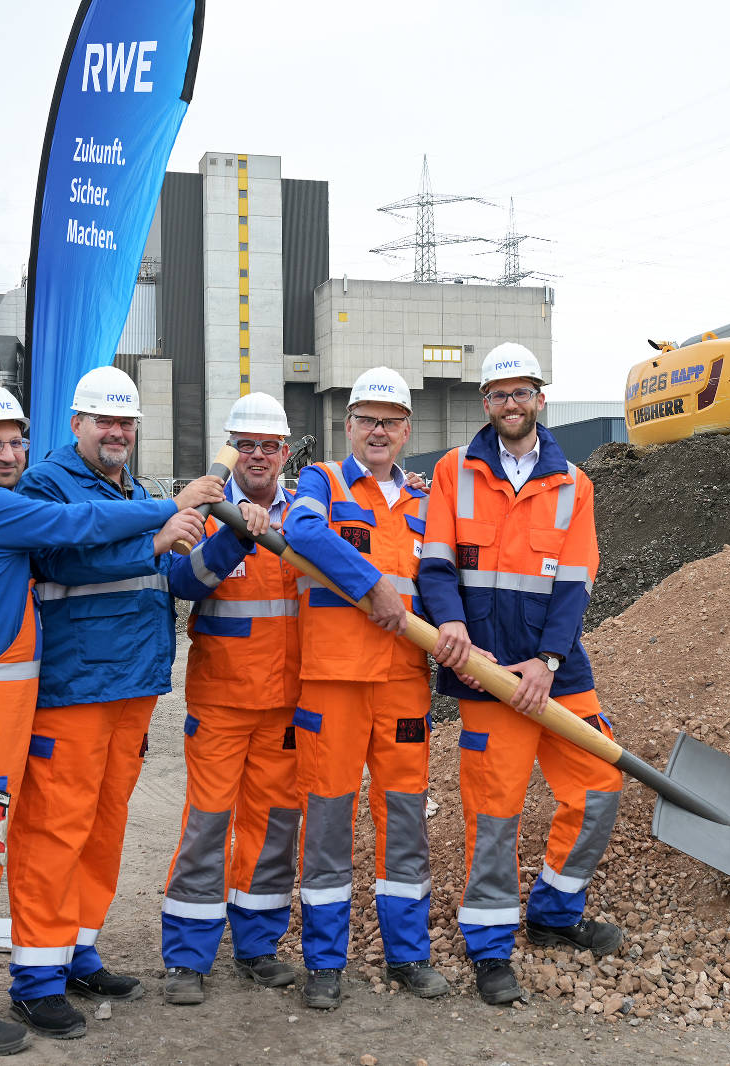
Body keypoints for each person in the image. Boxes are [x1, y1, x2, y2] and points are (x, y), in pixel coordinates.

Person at [0, 383, 214, 1055]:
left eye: (14, 441)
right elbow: (78, 531)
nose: (9, 453)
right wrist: (168, 516)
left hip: (4, 705)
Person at [7, 365, 225, 1021]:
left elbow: (168, 576)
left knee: (103, 829)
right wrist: (160, 531)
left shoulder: (140, 489)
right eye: (105, 420)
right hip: (74, 688)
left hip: (131, 688)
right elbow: (66, 554)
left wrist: (226, 542)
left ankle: (77, 951)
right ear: (76, 424)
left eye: (126, 421)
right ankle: (36, 983)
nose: (117, 431)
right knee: (54, 830)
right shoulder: (48, 483)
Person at [418, 343, 625, 1007]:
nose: (511, 403)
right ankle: (488, 947)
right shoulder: (454, 471)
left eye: (522, 391)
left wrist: (548, 661)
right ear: (486, 403)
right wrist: (450, 625)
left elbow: (575, 581)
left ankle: (555, 914)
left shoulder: (575, 484)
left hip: (555, 672)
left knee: (599, 785)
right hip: (483, 675)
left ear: (540, 397)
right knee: (494, 812)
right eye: (499, 393)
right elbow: (436, 564)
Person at [283, 366, 449, 1011]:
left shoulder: (424, 502)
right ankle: (325, 963)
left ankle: (408, 955)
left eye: (391, 422)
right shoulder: (323, 481)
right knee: (327, 820)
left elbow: (438, 580)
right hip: (335, 683)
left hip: (404, 682)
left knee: (403, 817)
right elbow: (301, 532)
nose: (378, 432)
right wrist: (369, 584)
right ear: (347, 425)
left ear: (407, 430)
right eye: (367, 420)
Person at [159, 392, 303, 1006]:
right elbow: (184, 581)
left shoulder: (306, 514)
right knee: (207, 825)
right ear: (231, 451)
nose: (259, 457)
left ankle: (257, 947)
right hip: (220, 704)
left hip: (286, 705)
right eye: (247, 446)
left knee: (272, 830)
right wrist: (239, 532)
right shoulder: (209, 513)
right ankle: (187, 958)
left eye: (269, 447)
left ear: (285, 453)